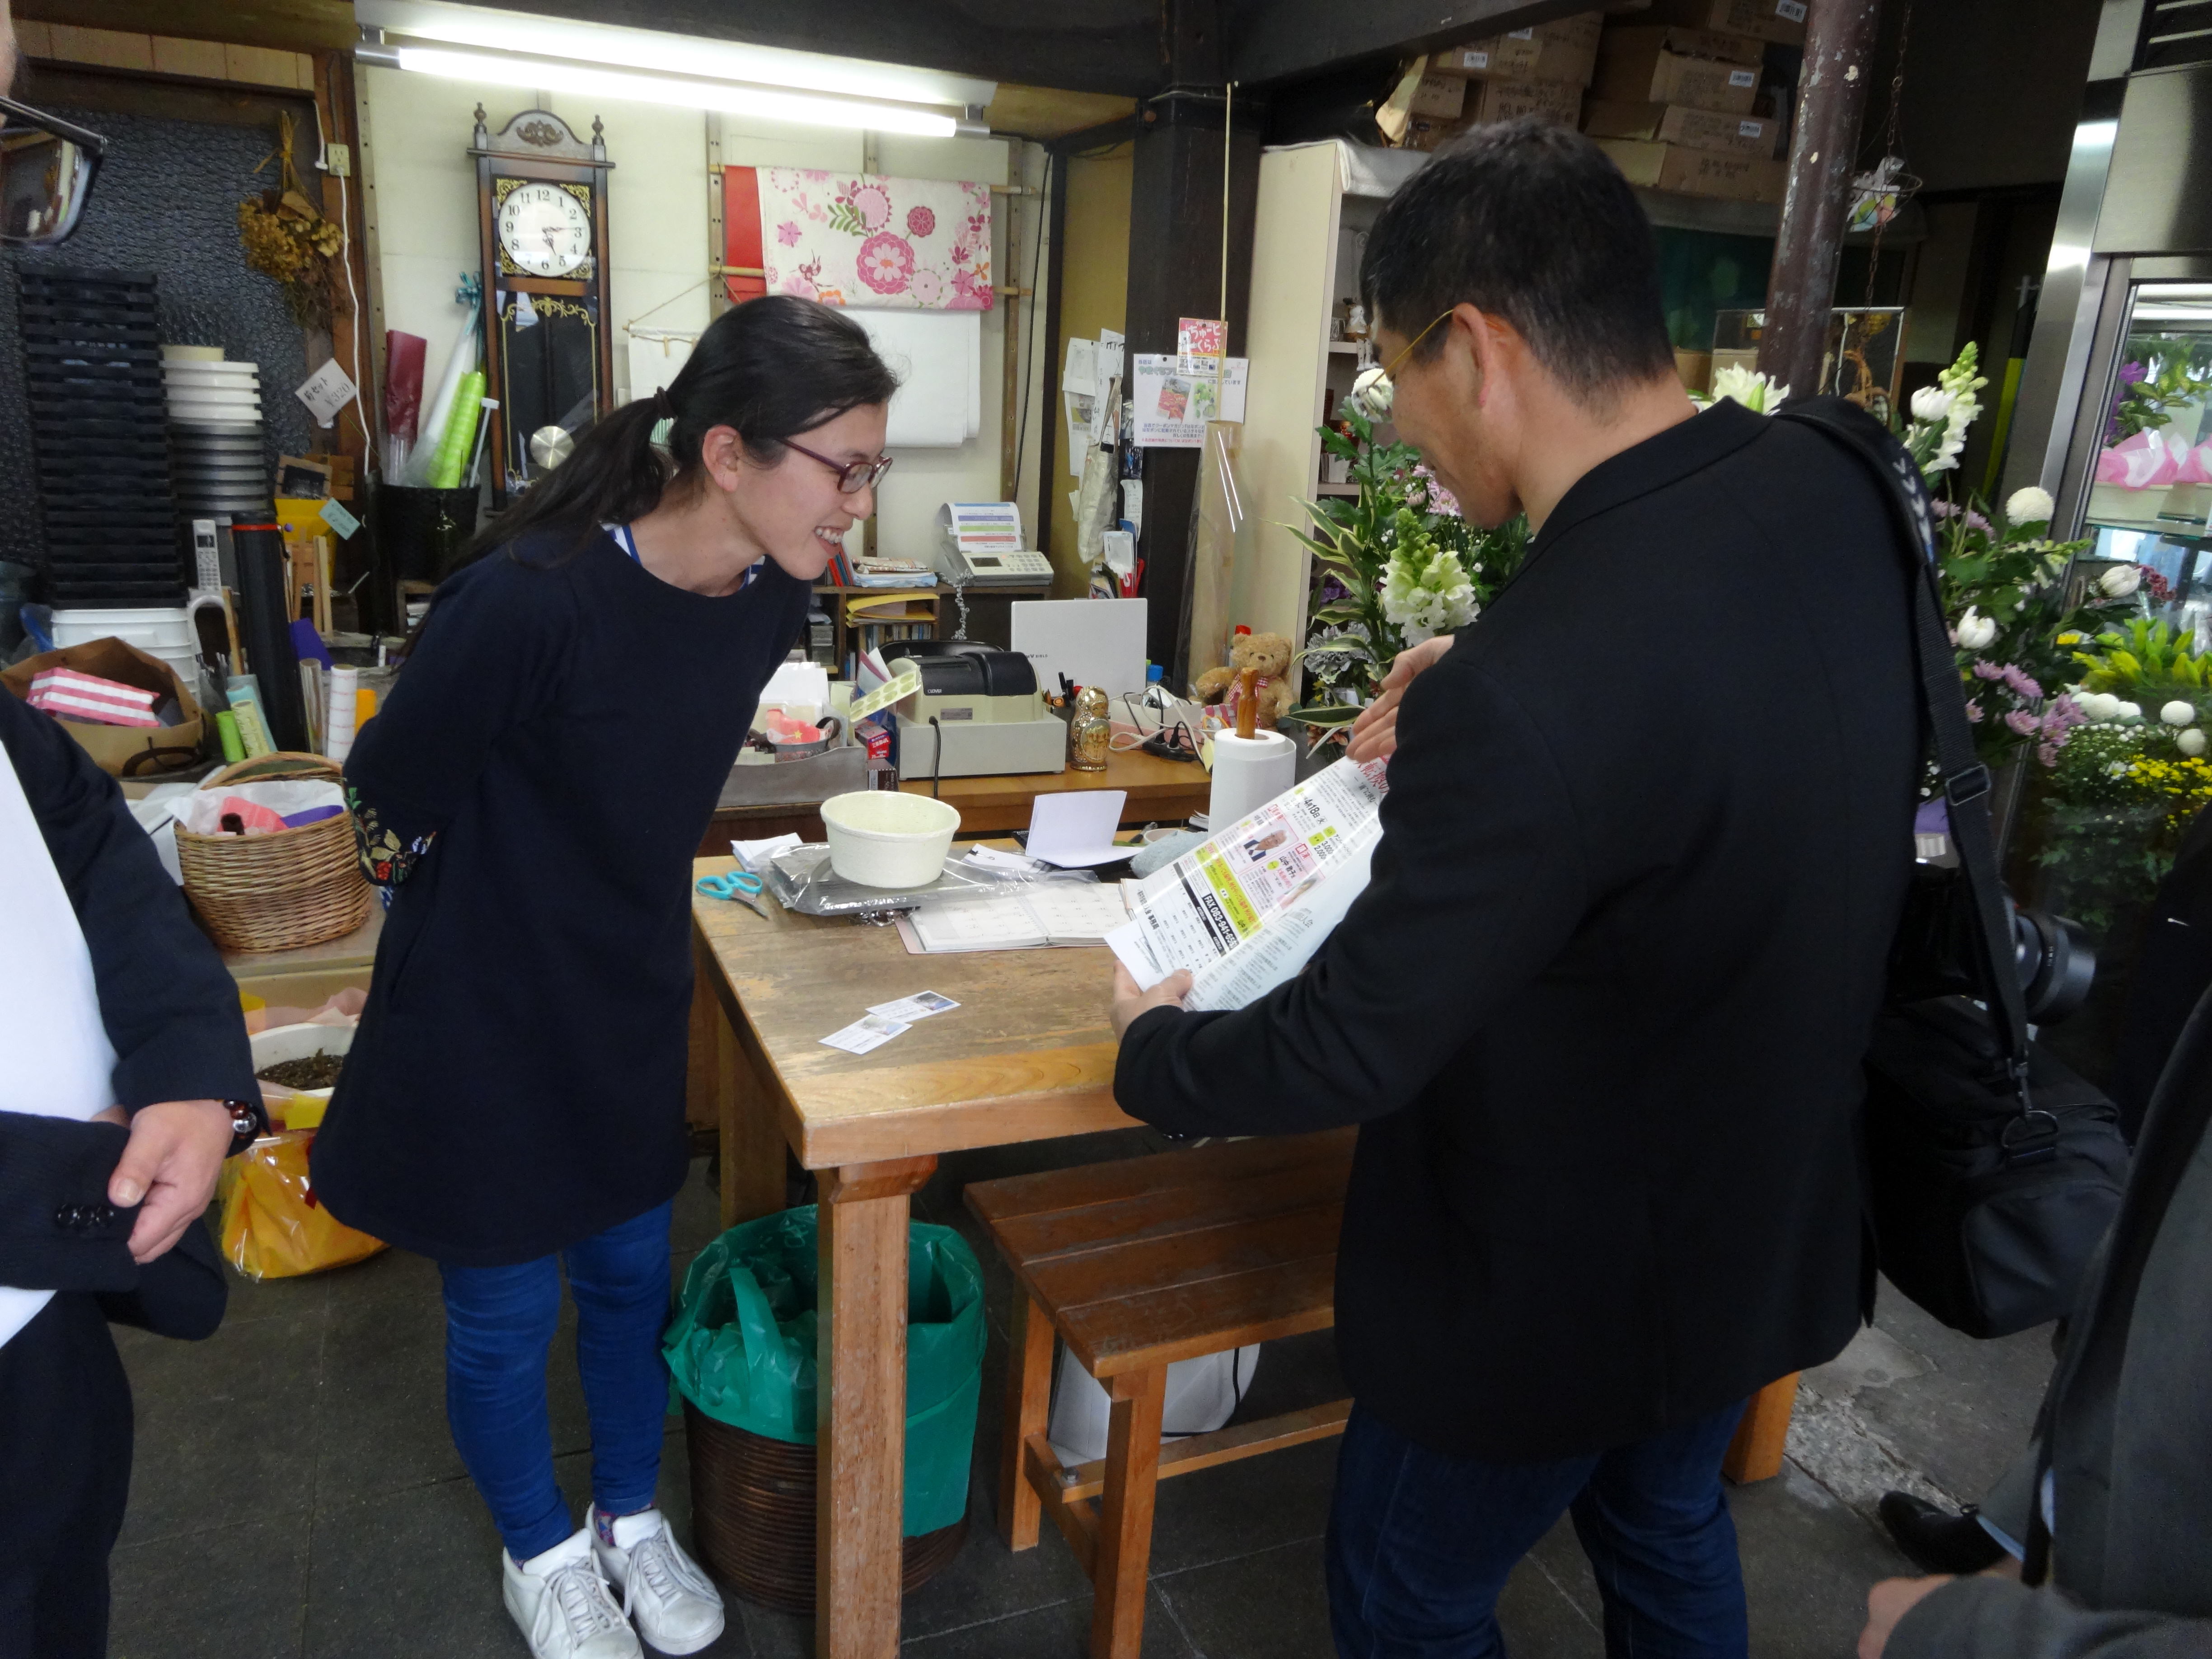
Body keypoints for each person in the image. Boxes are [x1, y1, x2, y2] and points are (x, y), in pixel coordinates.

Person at [1109, 119, 1921, 1655]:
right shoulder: (1832, 479)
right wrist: (1490, 662)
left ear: (1475, 350)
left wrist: (1155, 1048)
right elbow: (1707, 697)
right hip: (1766, 1212)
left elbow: (1351, 1043)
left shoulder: (1539, 680)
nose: (1399, 426)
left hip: (1553, 1288)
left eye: (1388, 374)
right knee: (1664, 1522)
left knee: (1405, 1594)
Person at [310, 296, 896, 1659]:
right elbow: (383, 797)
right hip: (484, 1014)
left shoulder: (774, 593)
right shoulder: (530, 601)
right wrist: (443, 933)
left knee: (635, 1282)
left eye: (875, 468)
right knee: (507, 1319)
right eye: (846, 469)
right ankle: (543, 1554)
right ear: (729, 454)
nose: (861, 504)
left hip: (626, 995)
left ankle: (630, 1517)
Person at [0, 19, 262, 1649]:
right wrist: (91, 1184)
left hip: (43, 1328)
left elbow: (83, 832)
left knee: (58, 1574)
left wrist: (185, 1063)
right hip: (60, 1215)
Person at [1858, 984, 2212, 1658]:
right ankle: (2006, 1530)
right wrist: (2031, 1522)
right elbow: (2164, 1284)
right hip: (2094, 1539)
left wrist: (1968, 1639)